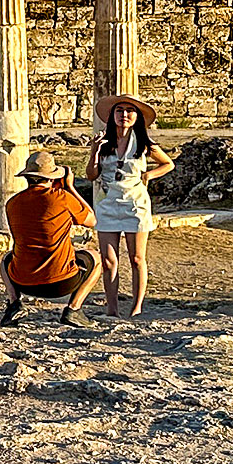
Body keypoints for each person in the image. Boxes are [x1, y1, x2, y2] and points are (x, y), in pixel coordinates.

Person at [84, 94, 175, 318]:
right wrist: (95, 151)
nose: (124, 115)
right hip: (107, 204)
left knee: (136, 258)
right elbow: (91, 175)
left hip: (135, 204)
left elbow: (168, 164)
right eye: (119, 110)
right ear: (112, 115)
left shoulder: (144, 143)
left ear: (137, 117)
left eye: (129, 111)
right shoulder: (103, 142)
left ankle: (136, 307)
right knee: (108, 260)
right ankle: (112, 309)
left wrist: (148, 176)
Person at [0, 151, 101, 328]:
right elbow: (91, 220)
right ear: (52, 178)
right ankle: (74, 309)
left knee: (6, 259)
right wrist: (70, 187)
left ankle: (14, 303)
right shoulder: (62, 198)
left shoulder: (12, 203)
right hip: (61, 282)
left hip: (23, 281)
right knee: (95, 258)